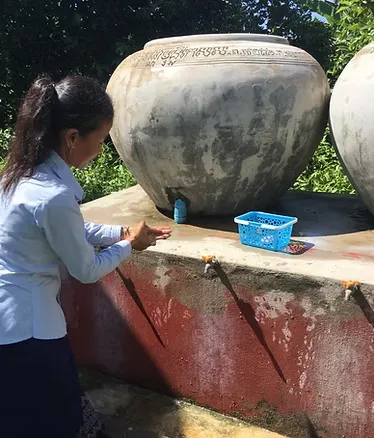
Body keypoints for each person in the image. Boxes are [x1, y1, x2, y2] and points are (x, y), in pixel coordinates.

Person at [0, 75, 172, 438]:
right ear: (72, 137)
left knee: (27, 409)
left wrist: (120, 233)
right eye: (100, 140)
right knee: (51, 414)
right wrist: (130, 246)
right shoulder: (52, 195)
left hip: (10, 319)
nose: (101, 150)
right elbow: (86, 270)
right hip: (30, 330)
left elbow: (69, 228)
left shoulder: (21, 176)